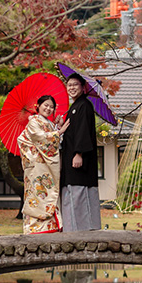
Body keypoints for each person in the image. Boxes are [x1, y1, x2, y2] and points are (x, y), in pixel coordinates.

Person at [16, 95, 68, 234]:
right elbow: (41, 139)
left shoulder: (49, 123)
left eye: (52, 107)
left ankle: (52, 226)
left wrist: (57, 127)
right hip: (37, 168)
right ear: (37, 106)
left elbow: (56, 143)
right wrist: (58, 132)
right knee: (37, 194)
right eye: (46, 105)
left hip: (46, 166)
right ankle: (35, 228)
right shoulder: (34, 122)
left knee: (48, 194)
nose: (49, 108)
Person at [60, 75, 101, 232]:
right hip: (71, 158)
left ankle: (78, 230)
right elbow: (73, 132)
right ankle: (80, 228)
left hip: (78, 160)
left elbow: (83, 132)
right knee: (76, 194)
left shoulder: (84, 105)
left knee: (78, 193)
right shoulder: (76, 106)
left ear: (83, 86)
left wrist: (79, 153)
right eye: (69, 85)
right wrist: (62, 125)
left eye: (75, 85)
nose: (71, 88)